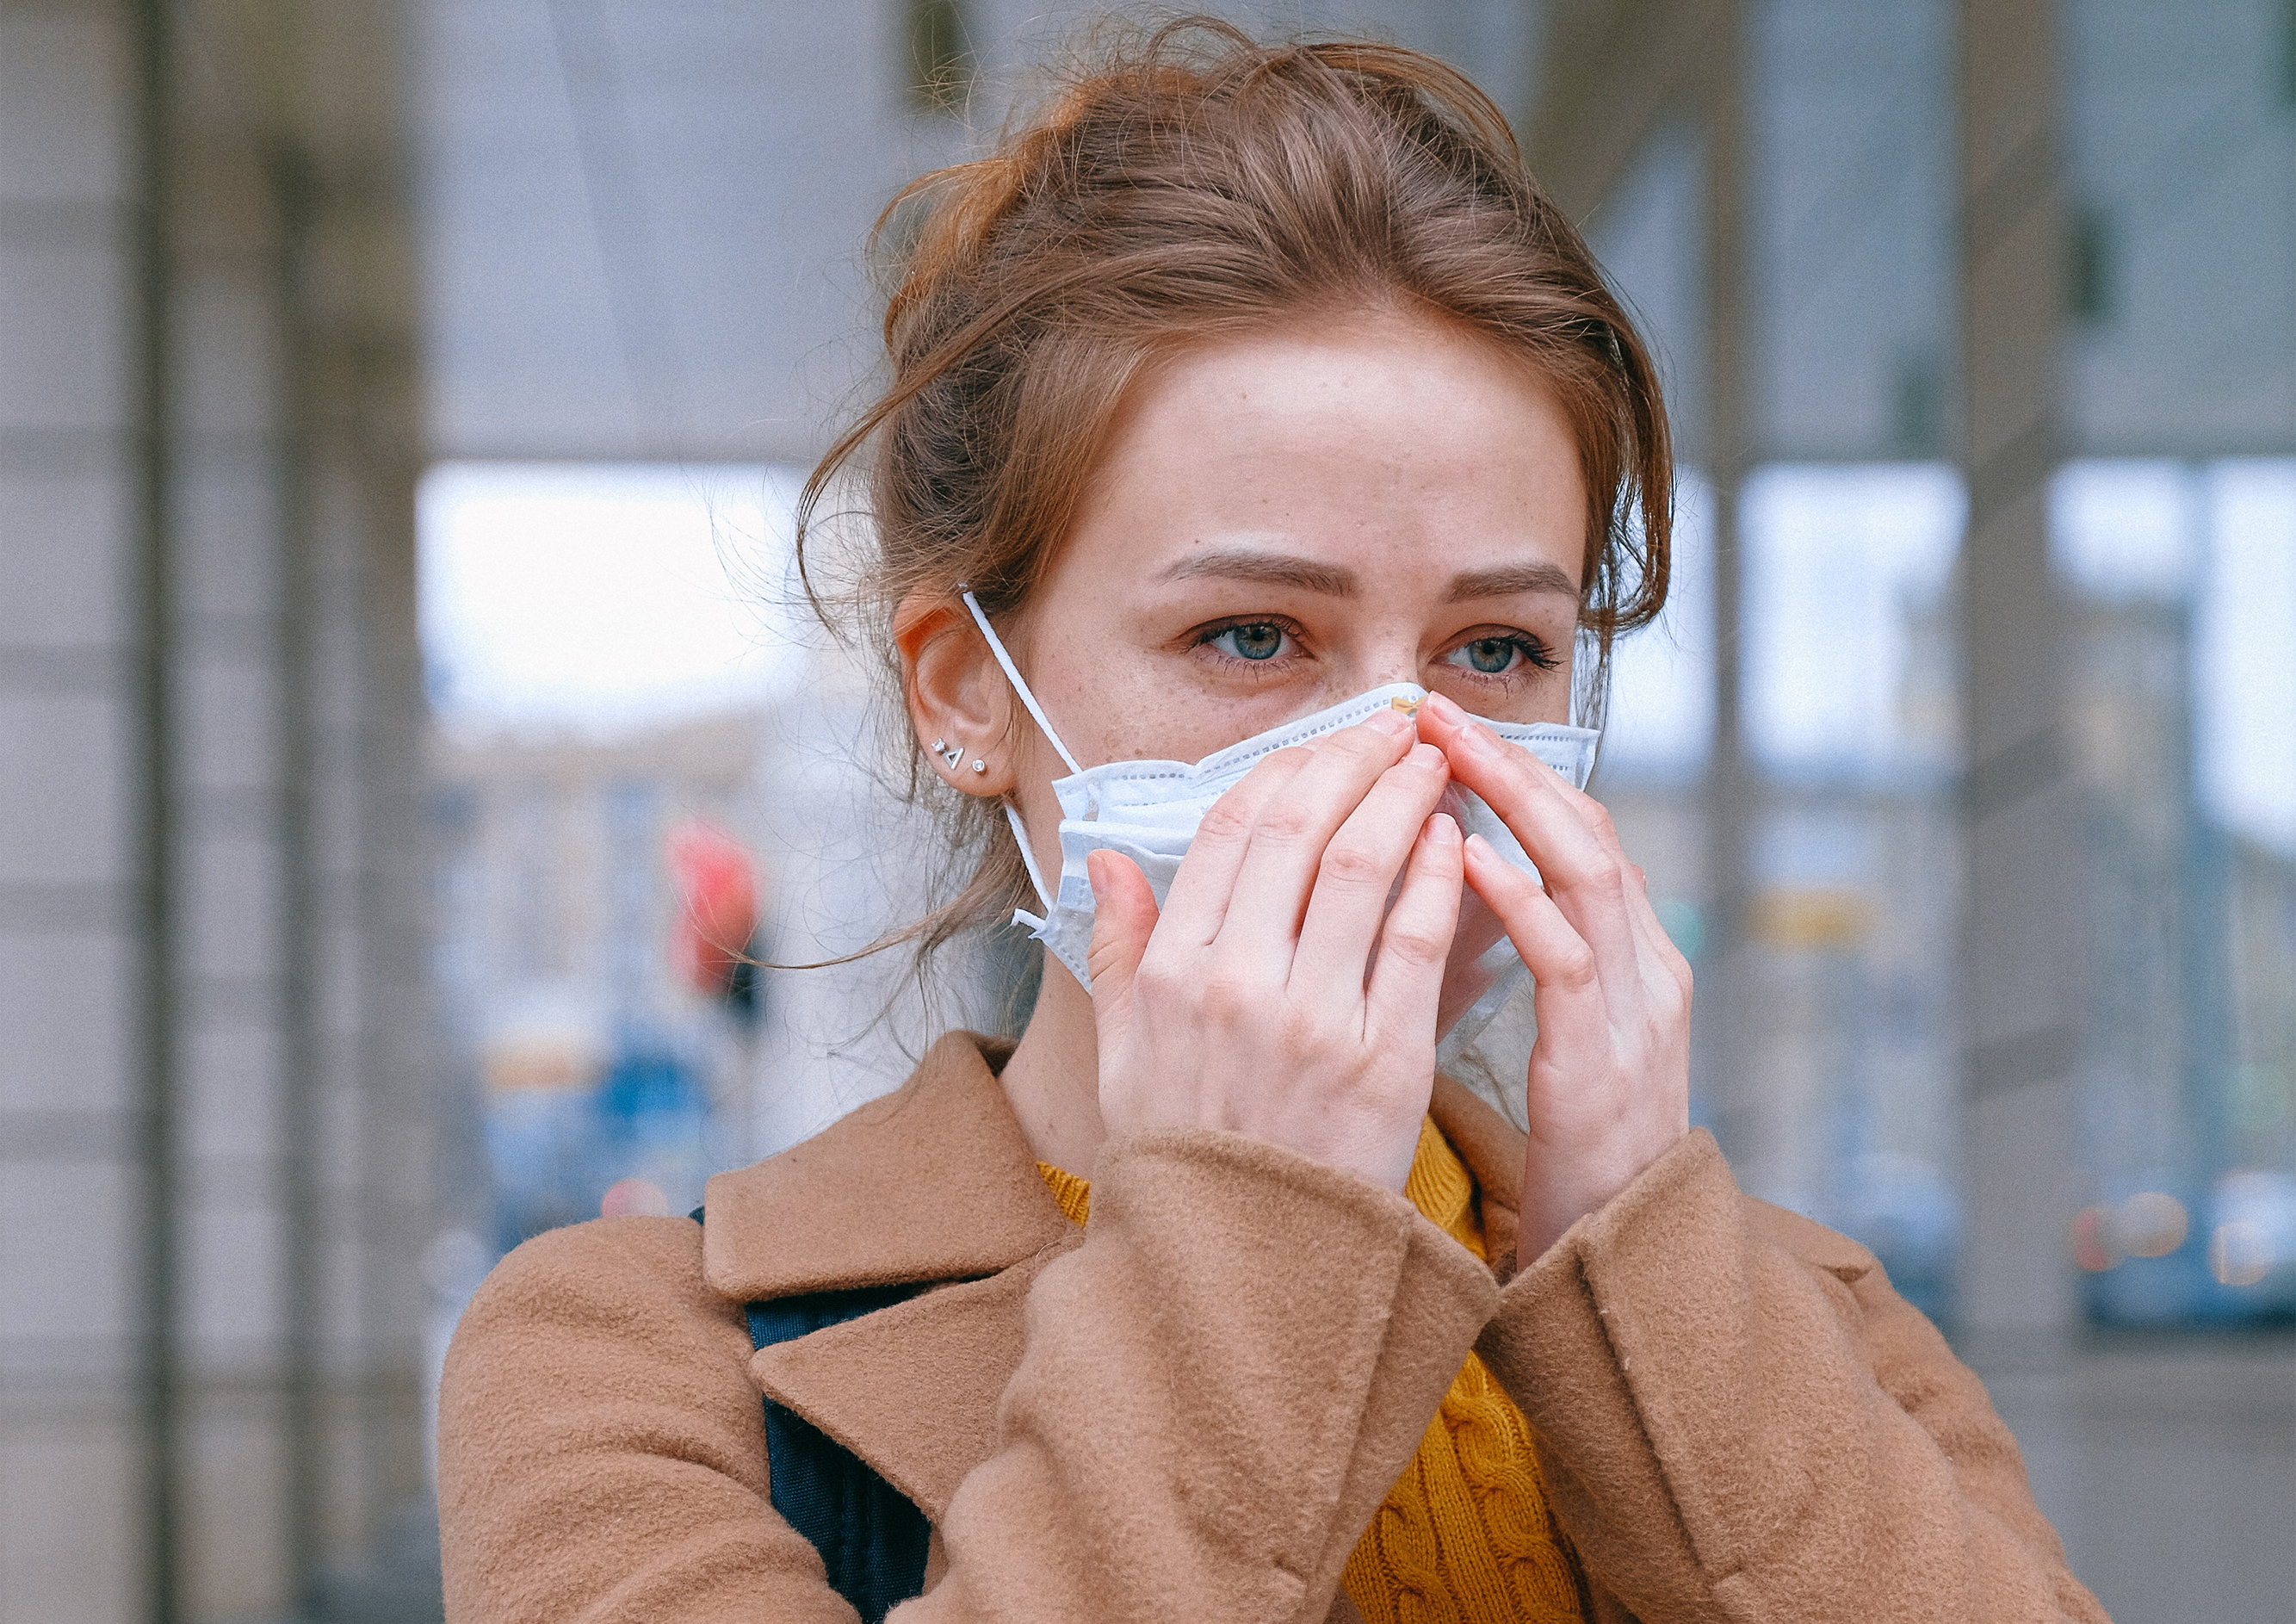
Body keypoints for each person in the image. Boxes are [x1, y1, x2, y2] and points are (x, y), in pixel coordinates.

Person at [437, 22, 2109, 1624]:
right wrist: (1249, 1246)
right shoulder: (633, 1355)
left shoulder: (1807, 1324)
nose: (1394, 755)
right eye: (1250, 636)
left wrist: (1627, 1265)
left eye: (1494, 650)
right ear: (964, 692)